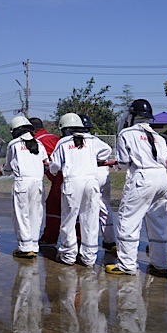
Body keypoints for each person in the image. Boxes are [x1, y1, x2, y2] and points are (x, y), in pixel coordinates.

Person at [105, 99, 167, 278]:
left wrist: (117, 166)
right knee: (158, 224)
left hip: (142, 178)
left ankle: (126, 264)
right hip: (162, 178)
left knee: (128, 222)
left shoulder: (127, 134)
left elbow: (125, 163)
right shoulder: (159, 138)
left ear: (133, 115)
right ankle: (160, 264)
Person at [49, 113, 112, 267]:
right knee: (90, 220)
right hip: (91, 182)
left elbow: (55, 166)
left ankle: (68, 255)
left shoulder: (63, 142)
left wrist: (54, 169)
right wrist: (94, 159)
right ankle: (89, 258)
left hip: (73, 183)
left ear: (64, 129)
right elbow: (107, 150)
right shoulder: (92, 140)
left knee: (69, 219)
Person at [1, 116, 48, 259]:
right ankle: (34, 245)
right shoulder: (39, 144)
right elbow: (45, 161)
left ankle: (25, 247)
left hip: (22, 182)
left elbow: (8, 168)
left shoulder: (13, 144)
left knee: (21, 215)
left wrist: (2, 170)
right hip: (38, 183)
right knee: (36, 214)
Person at [78, 114, 116, 254]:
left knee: (89, 209)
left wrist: (92, 160)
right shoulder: (95, 139)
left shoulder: (79, 140)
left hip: (92, 175)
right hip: (103, 174)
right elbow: (107, 149)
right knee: (104, 207)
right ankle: (109, 239)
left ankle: (88, 244)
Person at [30, 117, 62, 245]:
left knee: (53, 206)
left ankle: (50, 238)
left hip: (60, 176)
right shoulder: (54, 137)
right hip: (73, 174)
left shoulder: (36, 141)